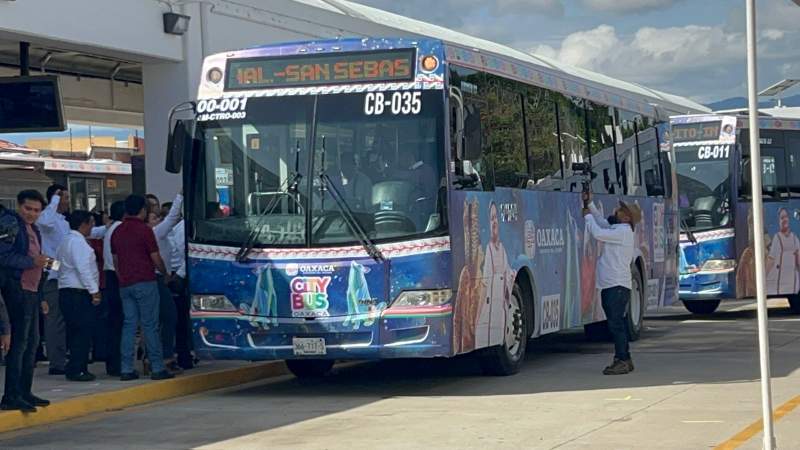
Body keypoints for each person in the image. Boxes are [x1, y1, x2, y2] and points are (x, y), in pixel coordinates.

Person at [36, 184, 106, 376]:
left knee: (70, 325)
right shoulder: (47, 219)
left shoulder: (66, 225)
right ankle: (56, 362)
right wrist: (55, 200)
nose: (67, 202)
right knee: (56, 321)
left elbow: (76, 243)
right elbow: (44, 223)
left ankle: (67, 359)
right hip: (53, 274)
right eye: (65, 198)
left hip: (61, 272)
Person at [111, 194, 174, 381]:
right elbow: (155, 257)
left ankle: (126, 368)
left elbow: (115, 261)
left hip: (125, 284)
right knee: (150, 326)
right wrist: (165, 274)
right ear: (143, 210)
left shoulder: (117, 231)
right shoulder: (145, 231)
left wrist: (121, 276)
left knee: (129, 326)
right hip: (145, 281)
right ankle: (157, 367)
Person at [0, 190, 50, 412]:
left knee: (32, 343)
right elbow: (4, 256)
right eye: (28, 209)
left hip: (31, 291)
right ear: (19, 206)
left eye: (36, 210)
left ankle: (24, 391)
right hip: (17, 288)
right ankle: (11, 394)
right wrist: (32, 261)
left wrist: (41, 295)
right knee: (20, 344)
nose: (31, 213)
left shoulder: (34, 230)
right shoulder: (12, 224)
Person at [582, 192, 641, 375]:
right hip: (614, 284)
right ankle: (623, 358)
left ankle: (622, 359)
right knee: (617, 323)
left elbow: (598, 232)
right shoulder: (620, 230)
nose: (615, 211)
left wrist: (587, 217)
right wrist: (590, 204)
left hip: (615, 285)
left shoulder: (622, 232)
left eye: (620, 210)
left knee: (616, 325)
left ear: (626, 217)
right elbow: (603, 223)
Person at [56, 210, 101, 382]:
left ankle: (74, 367)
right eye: (91, 223)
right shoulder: (79, 244)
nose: (92, 227)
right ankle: (78, 369)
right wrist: (94, 291)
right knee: (82, 333)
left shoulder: (65, 241)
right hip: (78, 292)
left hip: (66, 291)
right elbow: (84, 270)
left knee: (74, 332)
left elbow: (56, 264)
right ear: (83, 224)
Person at [149, 193, 183, 373]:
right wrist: (179, 196)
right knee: (168, 317)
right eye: (154, 218)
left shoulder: (162, 235)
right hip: (159, 278)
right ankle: (165, 356)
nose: (158, 220)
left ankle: (161, 356)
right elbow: (172, 217)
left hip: (163, 278)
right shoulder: (156, 233)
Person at [102, 201, 126, 376]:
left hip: (110, 276)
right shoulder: (120, 230)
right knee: (119, 323)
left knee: (113, 323)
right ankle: (116, 363)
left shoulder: (110, 229)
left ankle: (113, 362)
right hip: (116, 276)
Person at [766, 207, 800, 296]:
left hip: (793, 286)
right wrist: (762, 277)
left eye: (785, 217)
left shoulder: (795, 239)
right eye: (782, 218)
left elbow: (798, 262)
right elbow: (771, 260)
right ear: (779, 222)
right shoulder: (777, 237)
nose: (784, 219)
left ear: (789, 219)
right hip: (780, 287)